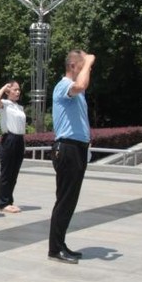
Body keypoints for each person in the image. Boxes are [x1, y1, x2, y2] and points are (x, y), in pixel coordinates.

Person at [49, 50, 95, 264]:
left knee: (70, 200)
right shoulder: (63, 86)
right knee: (65, 200)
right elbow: (81, 85)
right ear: (74, 66)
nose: (87, 70)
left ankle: (60, 243)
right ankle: (55, 248)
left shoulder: (76, 93)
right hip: (67, 148)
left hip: (77, 148)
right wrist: (88, 62)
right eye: (84, 66)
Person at [0, 80, 27, 213]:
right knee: (6, 172)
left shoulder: (19, 107)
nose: (18, 92)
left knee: (14, 172)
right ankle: (3, 202)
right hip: (9, 139)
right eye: (15, 89)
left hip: (19, 139)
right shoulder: (5, 104)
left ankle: (9, 200)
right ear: (8, 92)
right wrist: (4, 86)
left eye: (19, 90)